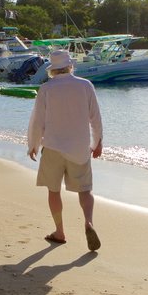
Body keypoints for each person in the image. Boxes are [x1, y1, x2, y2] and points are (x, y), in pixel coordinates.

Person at [27, 50, 104, 251]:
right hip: (79, 147)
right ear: (70, 66)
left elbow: (37, 121)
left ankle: (60, 231)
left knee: (54, 190)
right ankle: (88, 222)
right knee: (85, 190)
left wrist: (33, 144)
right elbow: (95, 118)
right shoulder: (85, 85)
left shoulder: (46, 89)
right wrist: (98, 143)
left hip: (53, 146)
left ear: (52, 70)